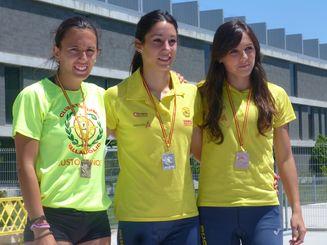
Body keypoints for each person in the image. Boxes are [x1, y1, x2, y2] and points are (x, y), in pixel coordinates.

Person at [192, 20, 306, 245]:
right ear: (219, 56)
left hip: (262, 206)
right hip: (215, 206)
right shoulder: (201, 95)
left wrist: (296, 210)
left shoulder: (275, 95)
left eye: (249, 49)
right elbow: (198, 151)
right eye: (233, 51)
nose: (244, 57)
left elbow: (284, 157)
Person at [104, 10, 201, 245]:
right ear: (139, 45)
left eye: (172, 41)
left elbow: (204, 153)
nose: (166, 48)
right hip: (137, 218)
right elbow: (89, 149)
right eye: (157, 41)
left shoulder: (192, 93)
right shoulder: (116, 97)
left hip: (184, 217)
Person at [12, 16, 111, 244]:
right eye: (74, 49)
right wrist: (40, 226)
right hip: (51, 217)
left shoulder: (101, 96)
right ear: (57, 51)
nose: (83, 58)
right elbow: (25, 166)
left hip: (96, 217)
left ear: (97, 53)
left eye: (90, 50)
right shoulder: (35, 96)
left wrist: (171, 78)